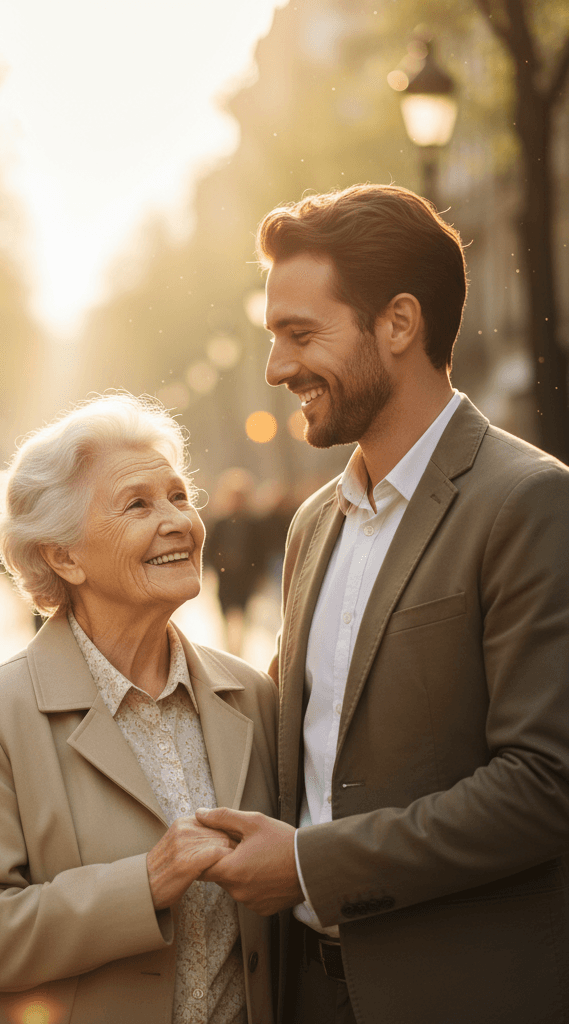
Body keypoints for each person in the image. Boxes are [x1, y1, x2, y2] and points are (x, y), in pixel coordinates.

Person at [197, 184, 569, 1024]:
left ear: (398, 324)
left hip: (459, 995)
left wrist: (308, 868)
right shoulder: (312, 525)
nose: (277, 368)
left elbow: (544, 788)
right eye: (273, 337)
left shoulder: (528, 503)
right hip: (306, 994)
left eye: (301, 334)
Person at [0, 394, 278, 1024]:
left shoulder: (255, 698)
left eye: (178, 496)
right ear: (64, 556)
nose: (177, 522)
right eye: (137, 504)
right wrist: (143, 884)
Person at [206, 469, 264, 655]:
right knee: (225, 617)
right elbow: (209, 549)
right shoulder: (220, 523)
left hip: (245, 578)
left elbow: (260, 551)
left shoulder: (254, 524)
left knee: (244, 617)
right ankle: (228, 651)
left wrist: (259, 574)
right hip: (225, 577)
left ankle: (239, 650)